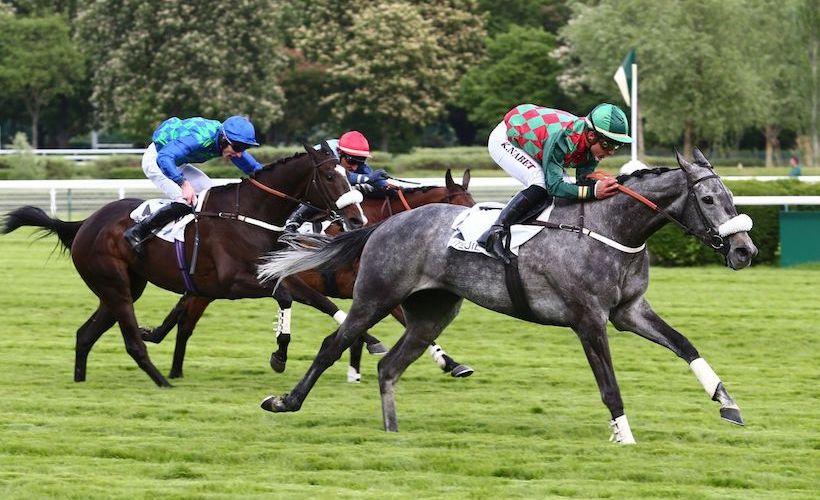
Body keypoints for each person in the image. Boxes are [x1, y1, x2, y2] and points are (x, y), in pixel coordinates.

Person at [478, 103, 632, 261]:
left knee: (567, 187)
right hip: (506, 138)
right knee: (541, 183)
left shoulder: (589, 145)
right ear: (591, 136)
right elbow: (554, 187)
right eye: (608, 145)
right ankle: (493, 234)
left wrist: (600, 185)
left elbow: (583, 183)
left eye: (617, 145)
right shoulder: (563, 138)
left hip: (537, 140)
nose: (611, 152)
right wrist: (594, 191)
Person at [124, 115, 263, 254]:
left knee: (211, 195)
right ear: (223, 139)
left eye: (245, 148)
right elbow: (165, 158)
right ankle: (138, 232)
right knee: (185, 200)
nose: (239, 154)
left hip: (177, 162)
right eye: (238, 147)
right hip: (158, 160)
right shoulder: (199, 138)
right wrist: (183, 183)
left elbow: (253, 167)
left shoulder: (228, 142)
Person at [284, 131, 388, 232]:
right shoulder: (328, 153)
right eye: (351, 161)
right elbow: (340, 175)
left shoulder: (350, 155)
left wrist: (384, 184)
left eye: (360, 162)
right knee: (324, 190)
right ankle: (294, 222)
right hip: (299, 185)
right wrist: (367, 179)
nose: (355, 167)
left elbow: (376, 181)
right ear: (339, 152)